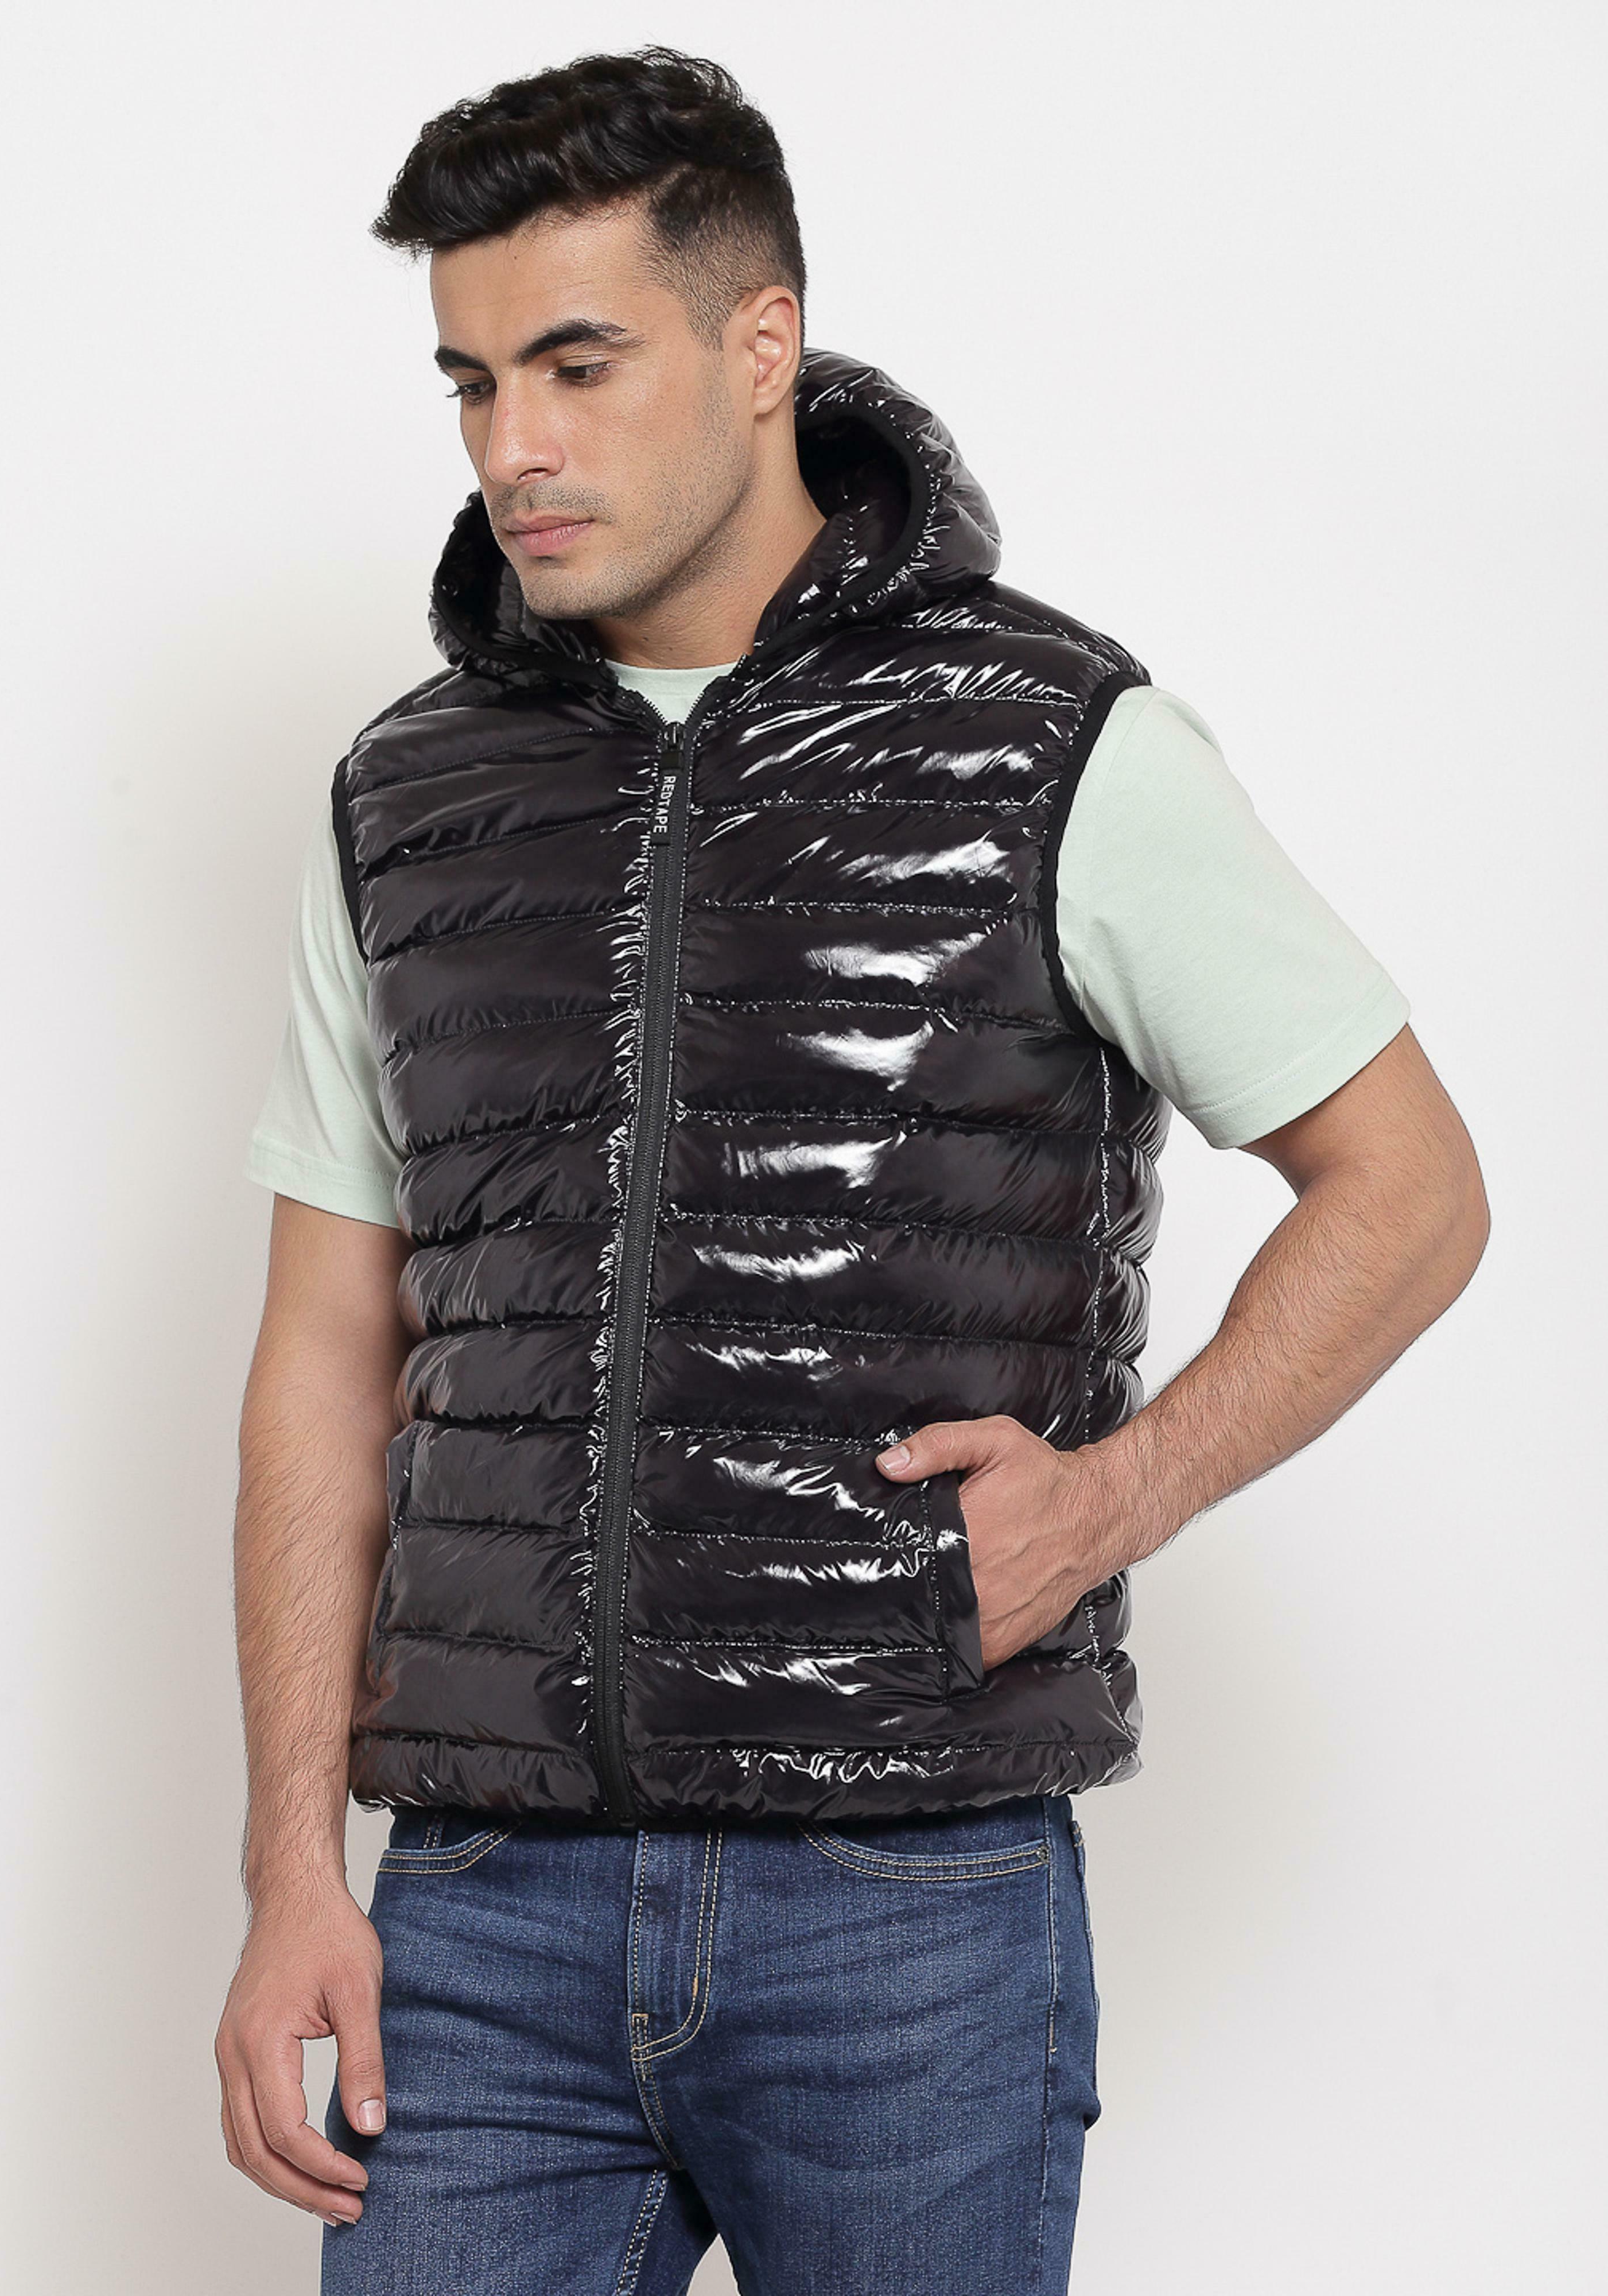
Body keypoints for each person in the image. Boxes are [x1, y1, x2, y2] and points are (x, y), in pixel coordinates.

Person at [213, 45, 1489, 2296]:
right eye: (473, 382)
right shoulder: (406, 797)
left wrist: (1121, 1492)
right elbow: (327, 1352)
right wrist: (289, 1866)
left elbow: (1410, 1185)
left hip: (903, 1903)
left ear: (761, 343)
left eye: (578, 364)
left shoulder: (1054, 741)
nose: (512, 448)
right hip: (478, 1917)